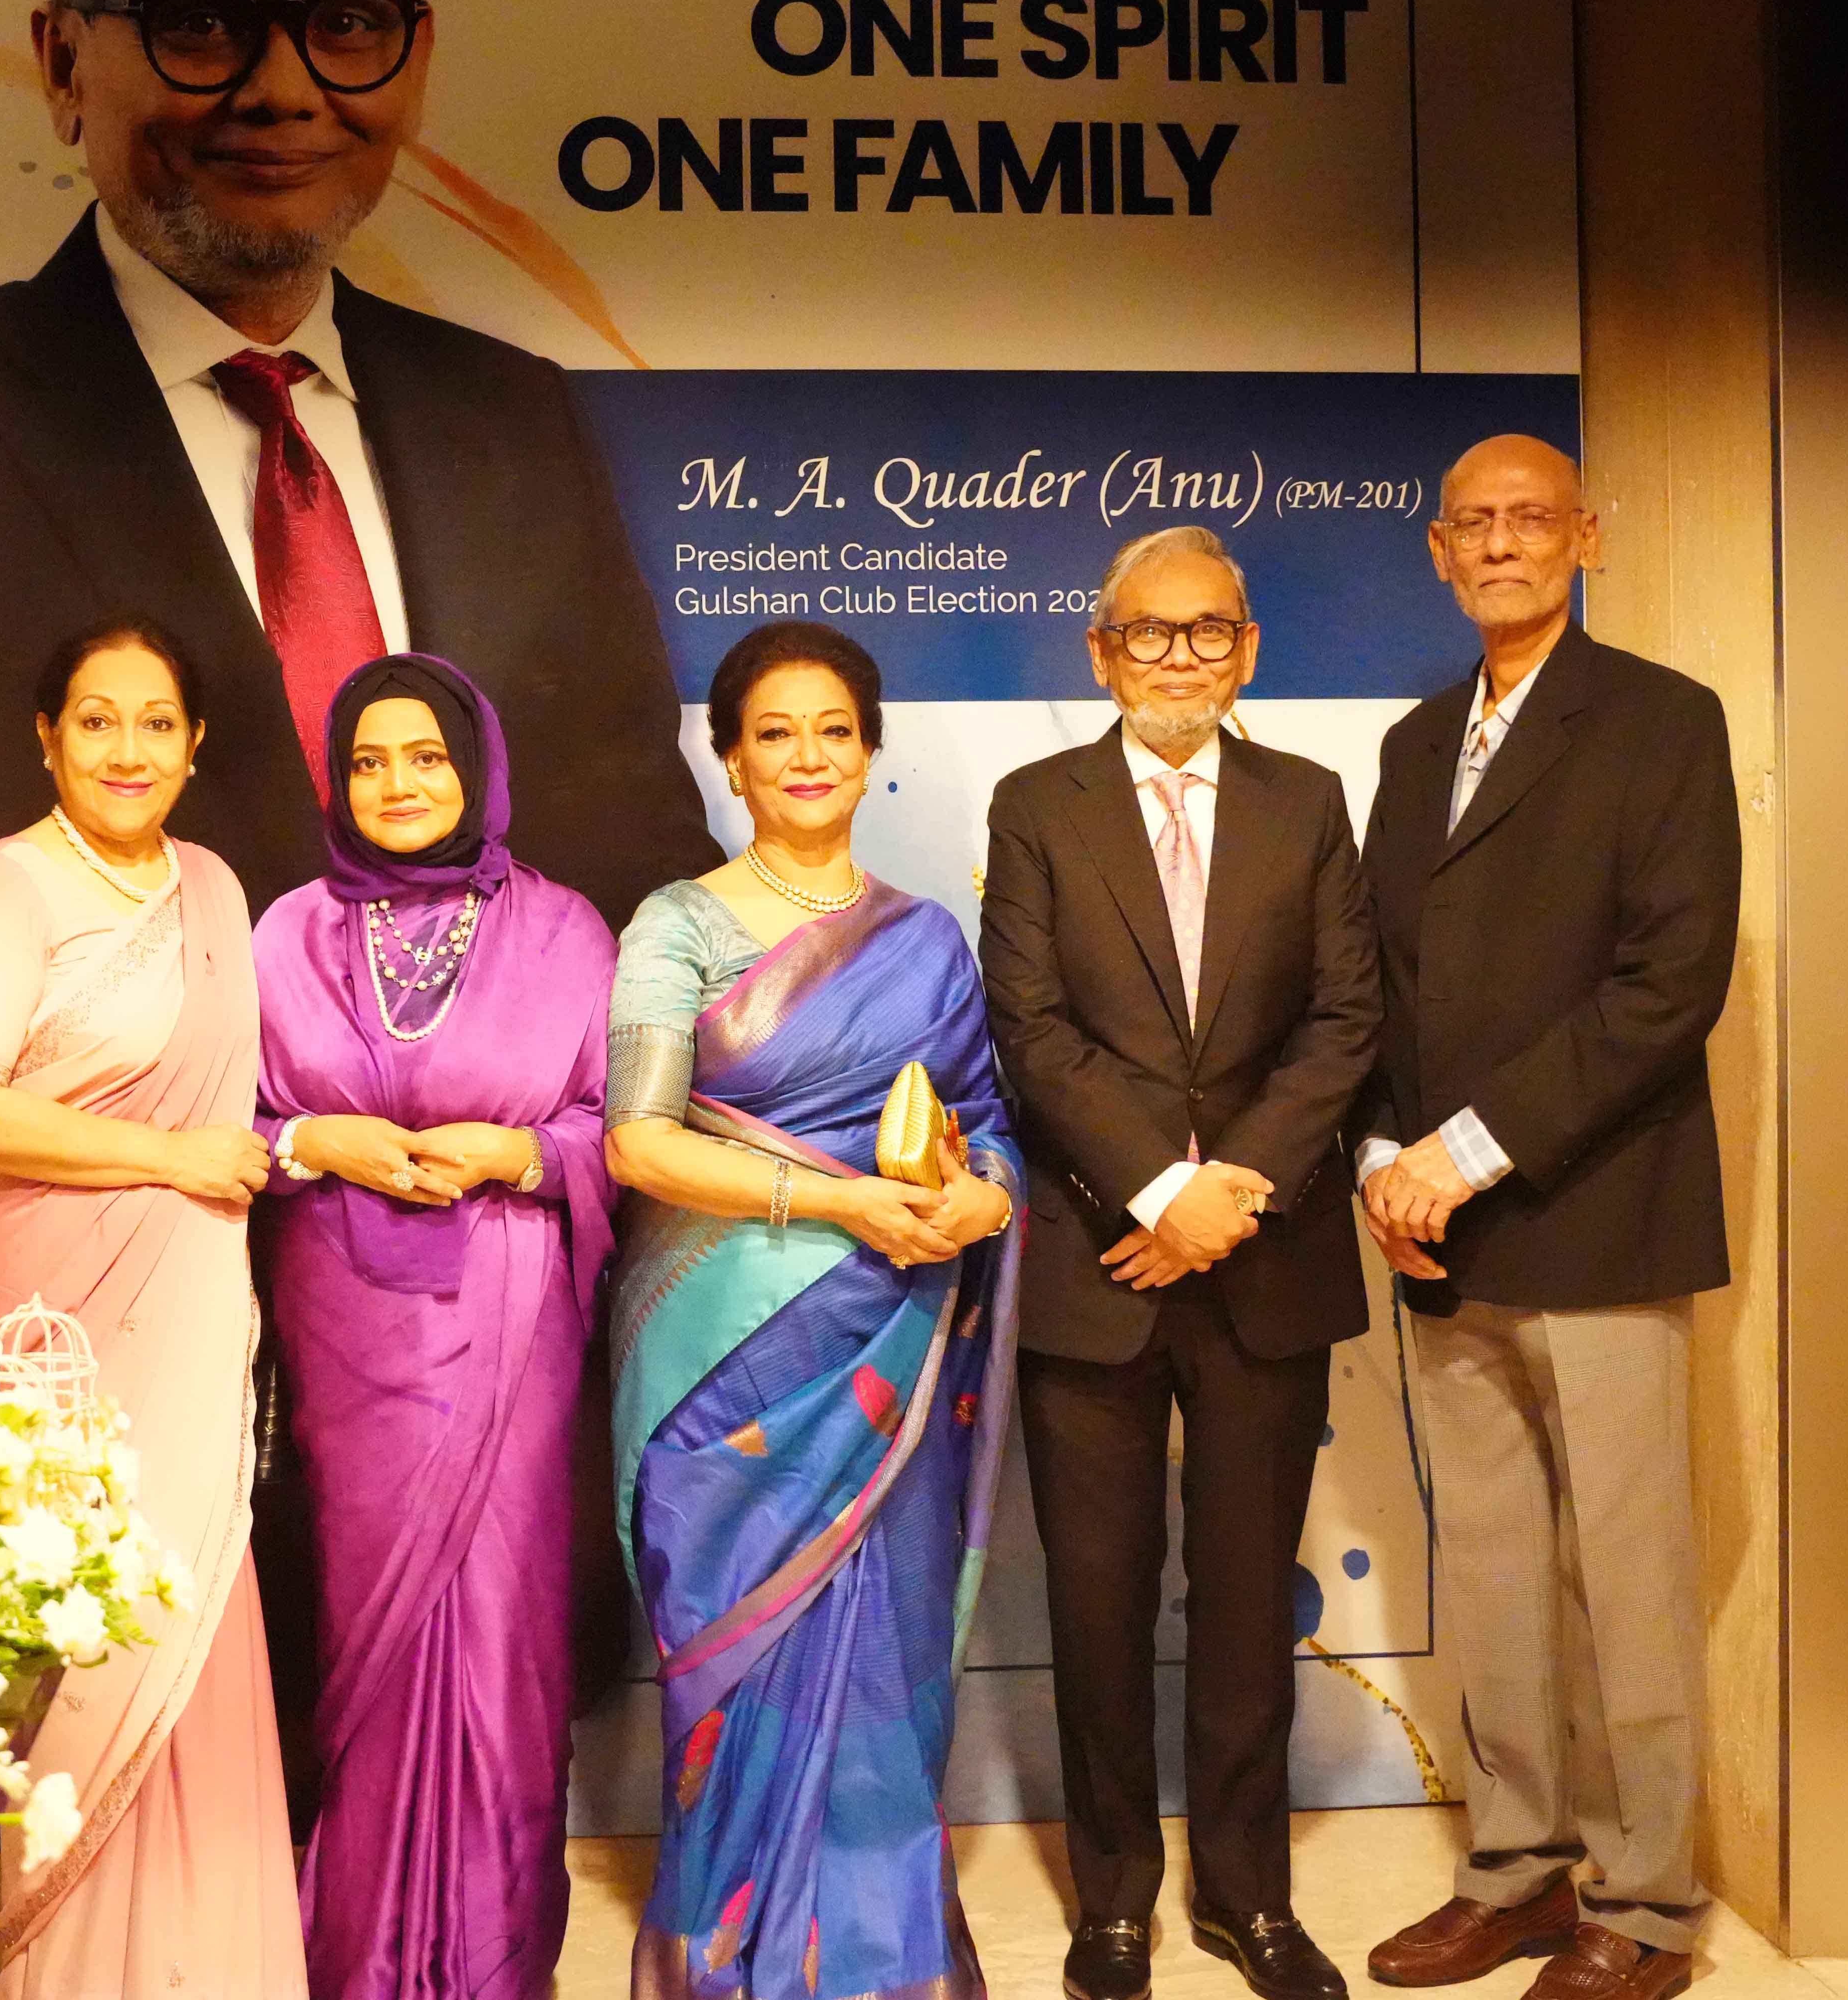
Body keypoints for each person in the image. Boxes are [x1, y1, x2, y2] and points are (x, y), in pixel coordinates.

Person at [0, 0, 713, 1345]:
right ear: (64, 62)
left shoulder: (516, 421)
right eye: (201, 25)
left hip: (493, 1320)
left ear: (414, 58)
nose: (283, 87)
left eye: (348, 23)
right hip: (90, 1328)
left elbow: (637, 879)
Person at [1353, 437, 1740, 2000]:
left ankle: (1645, 1907)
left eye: (1532, 518)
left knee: (1626, 1585)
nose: (1503, 542)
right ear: (1439, 550)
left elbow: (1669, 985)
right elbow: (1386, 982)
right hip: (1443, 1235)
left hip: (1600, 1215)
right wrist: (1387, 1160)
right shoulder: (1412, 743)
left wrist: (1463, 1152)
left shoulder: (1662, 720)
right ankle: (1519, 1870)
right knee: (1497, 1576)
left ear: (1585, 536)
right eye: (1476, 522)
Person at [976, 526, 1382, 2000]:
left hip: (1265, 1263)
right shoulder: (1037, 805)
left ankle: (1248, 1896)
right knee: (1096, 1599)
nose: (1180, 659)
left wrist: (1232, 1195)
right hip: (1100, 1261)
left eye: (1210, 631)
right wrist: (1157, 1190)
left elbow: (1346, 1018)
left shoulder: (1309, 801)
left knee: (1246, 1596)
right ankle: (1114, 1901)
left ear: (1248, 648)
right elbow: (1030, 1028)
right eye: (1149, 633)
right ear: (1102, 653)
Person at [600, 619, 1023, 2000]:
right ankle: (735, 1958)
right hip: (718, 1361)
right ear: (729, 759)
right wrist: (840, 1203)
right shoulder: (676, 926)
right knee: (735, 1661)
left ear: (871, 752)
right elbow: (639, 1143)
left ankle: (881, 1958)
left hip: (890, 1356)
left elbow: (986, 1130)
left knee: (883, 1663)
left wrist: (982, 1204)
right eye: (773, 733)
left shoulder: (927, 941)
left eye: (834, 731)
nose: (806, 756)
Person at [0, 612, 304, 2000]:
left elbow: (250, 1107)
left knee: (192, 1604)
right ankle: (76, 1963)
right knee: (83, 1616)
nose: (126, 749)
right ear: (47, 737)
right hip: (53, 1315)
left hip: (188, 1304)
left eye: (155, 722)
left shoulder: (214, 886)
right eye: (95, 719)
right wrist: (170, 1158)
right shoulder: (5, 886)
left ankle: (211, 1966)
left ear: (195, 746)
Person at [248, 655, 614, 2000]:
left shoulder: (564, 931)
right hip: (345, 1320)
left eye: (426, 758)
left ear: (477, 769)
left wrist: (521, 1155)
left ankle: (491, 1958)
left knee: (504, 1620)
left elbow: (617, 1129)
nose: (397, 784)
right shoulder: (286, 934)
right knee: (367, 1622)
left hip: (507, 1312)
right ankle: (366, 1955)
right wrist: (313, 1139)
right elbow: (226, 1120)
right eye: (368, 762)